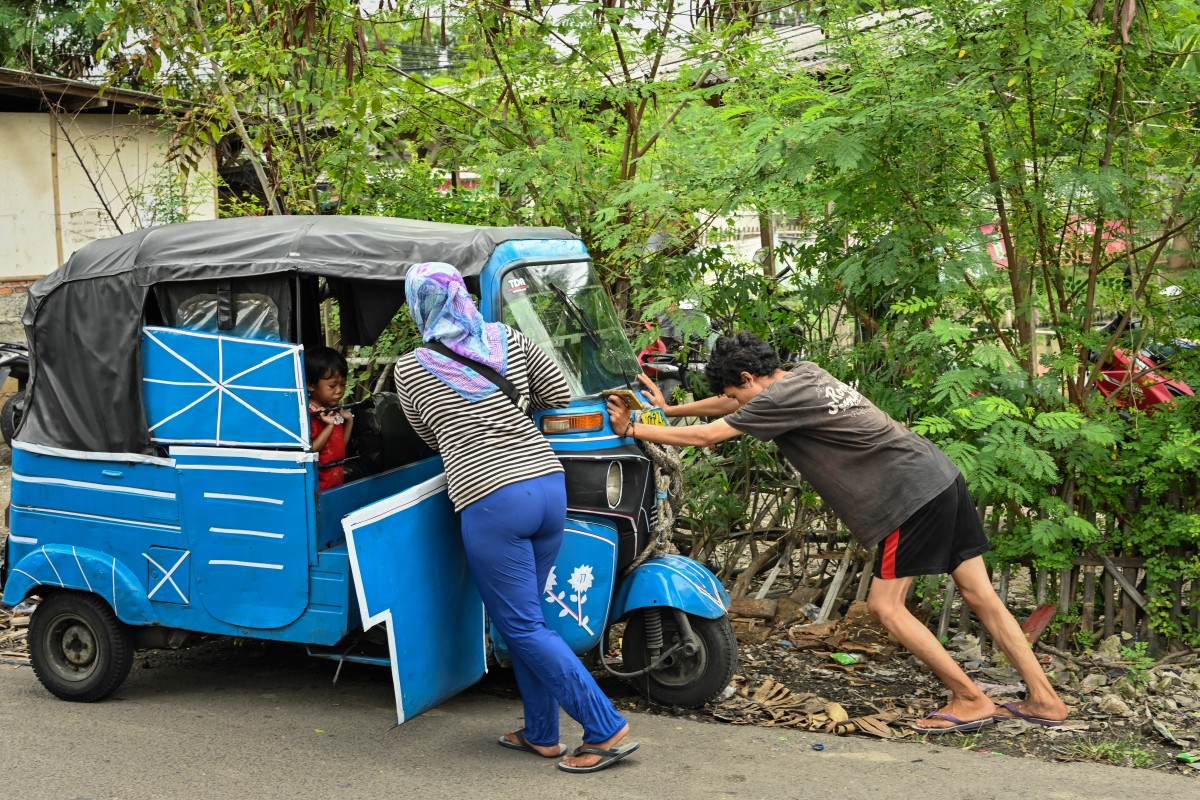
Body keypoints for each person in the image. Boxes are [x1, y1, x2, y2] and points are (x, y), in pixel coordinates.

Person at [607, 331, 1069, 733]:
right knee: (981, 595)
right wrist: (671, 408)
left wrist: (637, 429)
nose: (738, 401)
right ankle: (1046, 701)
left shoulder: (773, 400)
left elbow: (710, 436)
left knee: (886, 608)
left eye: (738, 391)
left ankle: (970, 700)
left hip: (906, 497)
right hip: (939, 476)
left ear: (748, 378)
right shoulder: (807, 373)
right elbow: (731, 403)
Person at [395, 262, 639, 772]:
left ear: (418, 305)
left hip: (490, 496)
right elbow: (555, 396)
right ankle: (541, 733)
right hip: (548, 487)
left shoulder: (411, 368)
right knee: (529, 620)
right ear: (462, 294)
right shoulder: (508, 337)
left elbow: (426, 435)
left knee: (521, 625)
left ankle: (603, 726)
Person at [306, 346, 354, 491]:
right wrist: (328, 426)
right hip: (319, 488)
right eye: (332, 385)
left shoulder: (332, 410)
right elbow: (310, 451)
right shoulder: (310, 414)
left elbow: (340, 446)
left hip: (336, 482)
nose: (339, 391)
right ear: (310, 385)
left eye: (342, 384)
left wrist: (349, 421)